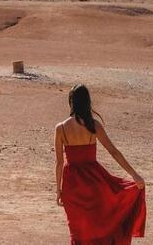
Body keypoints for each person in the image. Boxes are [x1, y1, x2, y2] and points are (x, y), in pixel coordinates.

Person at [55, 84, 146, 244]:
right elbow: (113, 151)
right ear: (87, 102)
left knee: (79, 231)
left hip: (72, 185)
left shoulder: (61, 128)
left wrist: (58, 189)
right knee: (100, 224)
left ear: (71, 102)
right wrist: (134, 174)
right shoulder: (93, 125)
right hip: (93, 181)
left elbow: (59, 163)